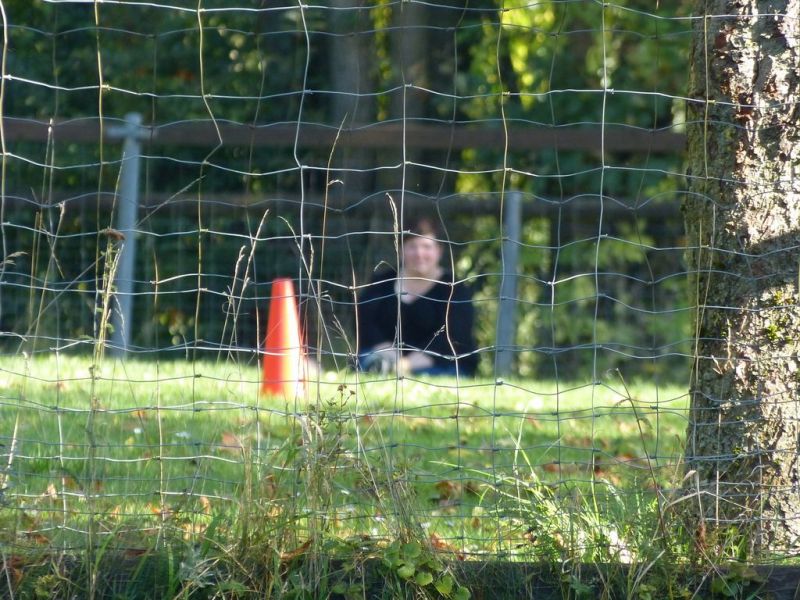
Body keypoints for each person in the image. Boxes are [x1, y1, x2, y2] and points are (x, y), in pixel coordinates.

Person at [356, 217, 478, 376]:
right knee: (367, 361)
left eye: (427, 247)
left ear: (439, 251)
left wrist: (405, 365)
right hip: (385, 358)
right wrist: (391, 359)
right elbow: (365, 324)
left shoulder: (456, 289)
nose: (419, 253)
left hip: (439, 365)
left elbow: (455, 337)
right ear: (401, 250)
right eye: (412, 246)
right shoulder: (380, 283)